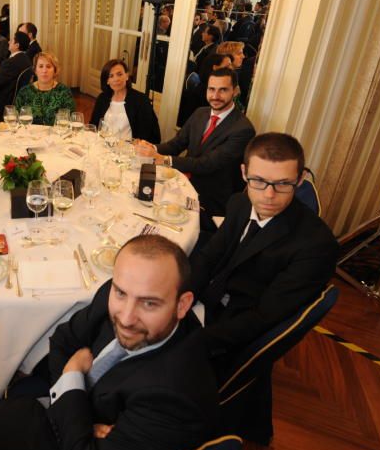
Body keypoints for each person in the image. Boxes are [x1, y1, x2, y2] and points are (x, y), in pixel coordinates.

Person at [0, 235, 219, 450]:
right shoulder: (116, 291)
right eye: (120, 293)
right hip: (78, 419)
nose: (126, 318)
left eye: (149, 303)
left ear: (182, 305)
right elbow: (63, 339)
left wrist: (72, 379)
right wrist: (77, 413)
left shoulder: (174, 397)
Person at [189, 133, 339, 361]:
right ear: (243, 173)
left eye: (283, 184)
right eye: (258, 181)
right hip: (206, 302)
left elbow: (263, 318)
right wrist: (178, 301)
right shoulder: (239, 203)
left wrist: (188, 342)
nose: (268, 196)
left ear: (299, 180)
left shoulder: (317, 246)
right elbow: (209, 258)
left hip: (230, 336)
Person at [136, 69, 254, 224]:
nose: (215, 96)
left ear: (235, 91)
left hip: (209, 197)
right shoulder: (200, 113)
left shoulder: (243, 129)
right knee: (139, 201)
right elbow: (176, 144)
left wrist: (163, 159)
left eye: (223, 90)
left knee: (158, 217)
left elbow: (207, 164)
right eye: (211, 89)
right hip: (181, 182)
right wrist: (152, 148)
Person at [89, 59, 160, 143]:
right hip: (103, 144)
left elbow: (147, 134)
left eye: (119, 74)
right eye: (111, 76)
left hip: (127, 149)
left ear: (126, 76)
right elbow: (93, 126)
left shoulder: (140, 100)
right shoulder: (102, 98)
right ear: (107, 81)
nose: (116, 79)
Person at [13, 52, 74, 125]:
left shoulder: (64, 92)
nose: (44, 71)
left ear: (55, 70)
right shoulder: (24, 92)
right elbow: (15, 119)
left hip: (56, 134)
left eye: (48, 67)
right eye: (41, 66)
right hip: (29, 134)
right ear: (35, 70)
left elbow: (70, 120)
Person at [0, 31, 32, 110]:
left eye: (11, 40)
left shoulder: (10, 63)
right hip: (16, 96)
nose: (8, 42)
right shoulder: (26, 58)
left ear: (17, 45)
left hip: (4, 100)